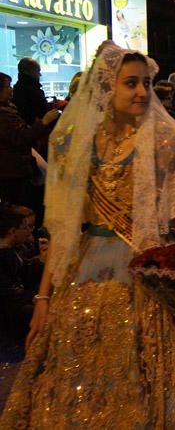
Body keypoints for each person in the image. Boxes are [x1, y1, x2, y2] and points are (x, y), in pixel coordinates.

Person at [1, 42, 175, 428]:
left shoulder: (167, 140)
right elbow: (63, 228)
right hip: (88, 272)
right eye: (131, 83)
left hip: (154, 265)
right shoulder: (77, 144)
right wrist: (44, 297)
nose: (143, 92)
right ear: (106, 88)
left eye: (146, 82)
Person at [0, 72, 60, 214]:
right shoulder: (3, 115)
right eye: (7, 87)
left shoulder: (9, 109)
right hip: (11, 170)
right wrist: (45, 121)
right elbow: (21, 137)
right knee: (18, 210)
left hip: (14, 168)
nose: (11, 90)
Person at [0, 204, 40, 343]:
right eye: (25, 228)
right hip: (8, 311)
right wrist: (34, 297)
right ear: (12, 231)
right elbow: (7, 292)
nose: (29, 232)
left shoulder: (13, 249)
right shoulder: (3, 255)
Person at [12, 58, 48, 126]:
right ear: (28, 71)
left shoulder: (18, 88)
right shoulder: (31, 91)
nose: (40, 75)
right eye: (38, 71)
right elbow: (41, 114)